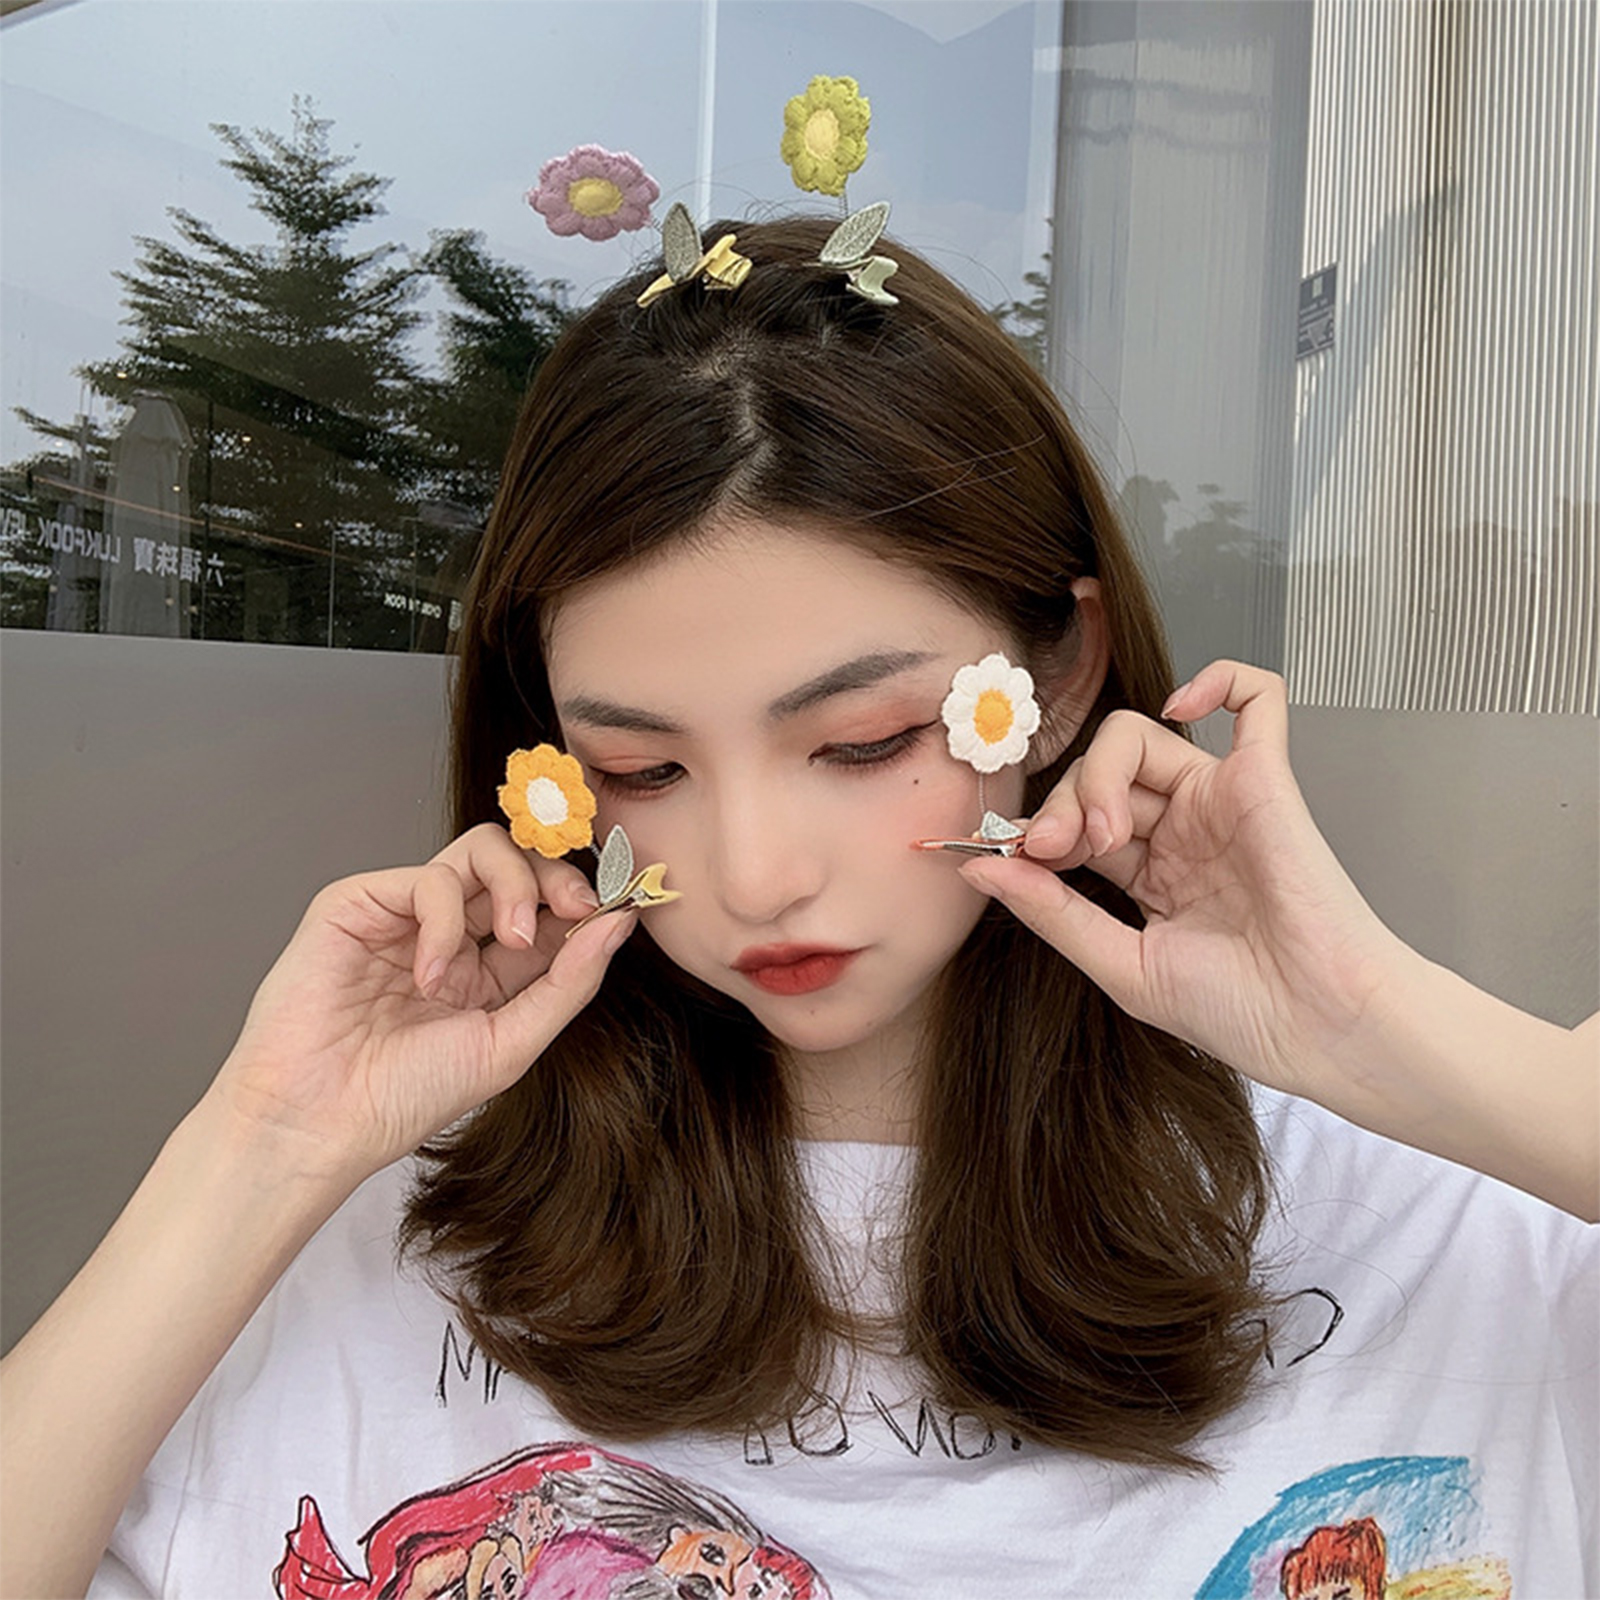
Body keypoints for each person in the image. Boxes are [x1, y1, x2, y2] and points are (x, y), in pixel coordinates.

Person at [1, 217, 1594, 1600]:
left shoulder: (1462, 1227)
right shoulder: (373, 1254)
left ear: (1058, 677)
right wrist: (260, 1148)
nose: (755, 873)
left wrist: (1370, 1024)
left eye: (865, 740)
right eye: (641, 767)